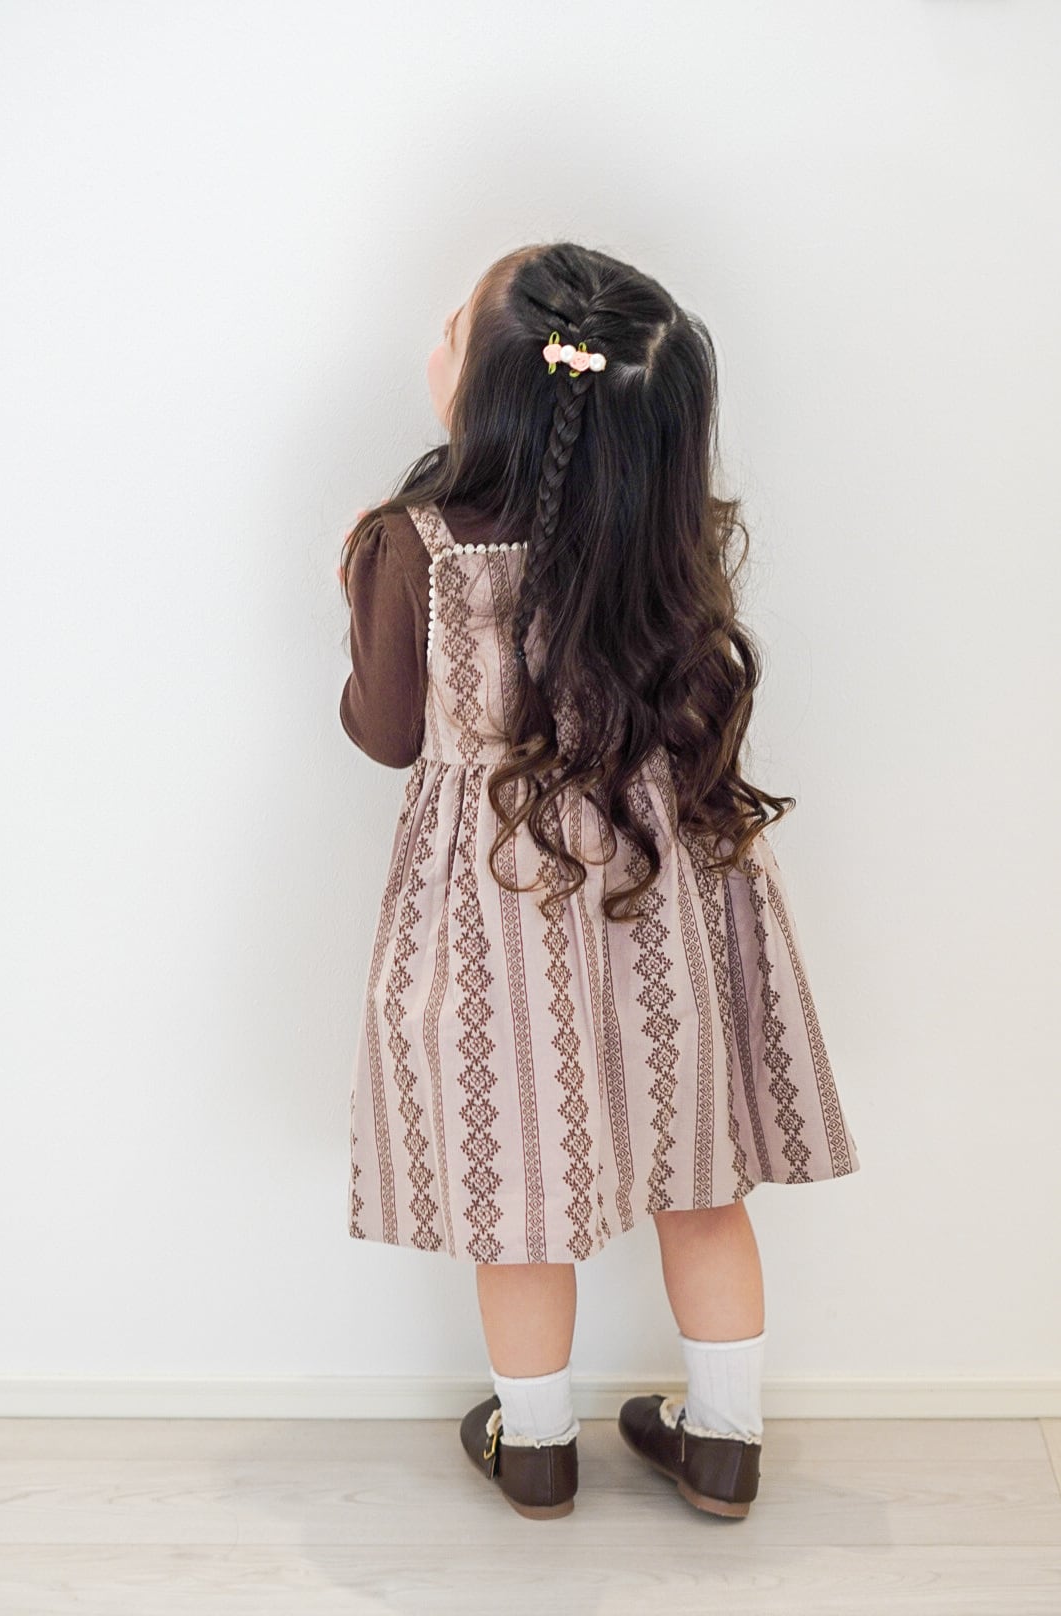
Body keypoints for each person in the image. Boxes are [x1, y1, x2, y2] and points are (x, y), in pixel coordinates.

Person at [336, 241, 862, 1522]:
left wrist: (359, 610)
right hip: (663, 902)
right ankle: (724, 1441)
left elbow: (385, 732)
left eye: (455, 319)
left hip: (495, 919)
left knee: (519, 1198)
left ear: (487, 390)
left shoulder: (410, 544)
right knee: (701, 1178)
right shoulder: (656, 530)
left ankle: (535, 1446)